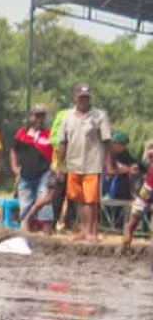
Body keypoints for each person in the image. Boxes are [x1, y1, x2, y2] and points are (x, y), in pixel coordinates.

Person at [57, 83, 114, 242]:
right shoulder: (67, 116)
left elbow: (107, 140)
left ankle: (91, 232)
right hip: (74, 162)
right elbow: (63, 141)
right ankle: (84, 230)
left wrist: (109, 164)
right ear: (75, 97)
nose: (84, 100)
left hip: (92, 163)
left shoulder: (99, 116)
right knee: (78, 198)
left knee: (91, 200)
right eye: (81, 97)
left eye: (86, 97)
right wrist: (60, 165)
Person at [10, 104, 55, 231]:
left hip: (44, 175)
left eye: (42, 116)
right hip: (25, 176)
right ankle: (25, 234)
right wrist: (14, 166)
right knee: (25, 207)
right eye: (36, 115)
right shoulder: (22, 133)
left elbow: (55, 153)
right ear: (31, 117)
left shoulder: (49, 134)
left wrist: (54, 171)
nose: (39, 119)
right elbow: (14, 150)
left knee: (45, 206)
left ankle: (47, 235)